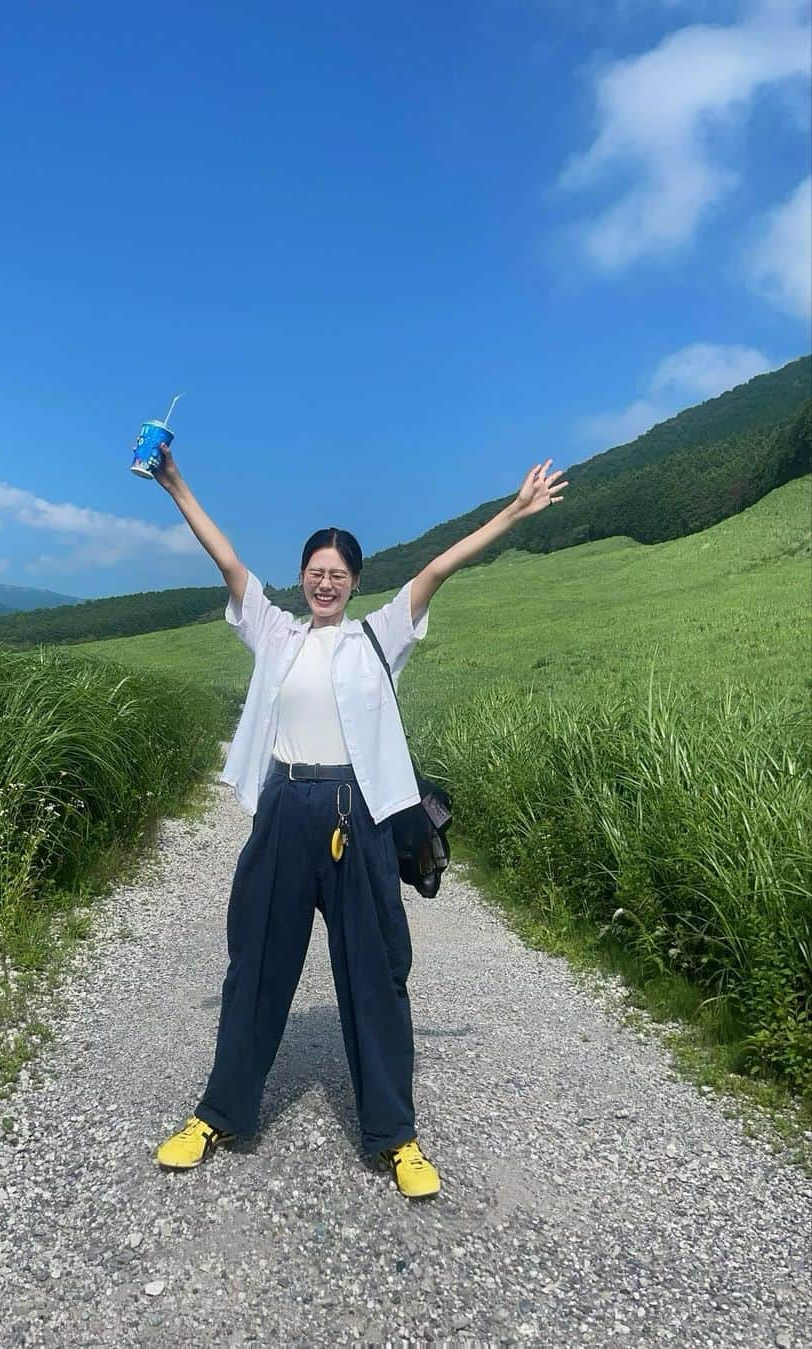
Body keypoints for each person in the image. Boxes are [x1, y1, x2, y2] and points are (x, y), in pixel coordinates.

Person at [151, 444, 568, 1197]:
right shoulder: (272, 631)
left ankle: (396, 1134)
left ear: (355, 582)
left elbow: (441, 565)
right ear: (302, 574)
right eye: (316, 569)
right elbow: (225, 558)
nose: (325, 580)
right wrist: (176, 482)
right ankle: (218, 1112)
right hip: (283, 809)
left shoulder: (380, 636)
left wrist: (513, 510)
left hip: (358, 816)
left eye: (338, 573)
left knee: (378, 975)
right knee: (254, 968)